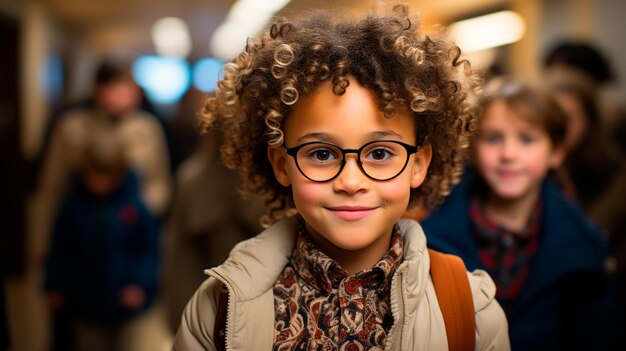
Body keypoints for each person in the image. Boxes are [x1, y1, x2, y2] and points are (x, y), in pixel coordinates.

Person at [173, 5, 509, 350]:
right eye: (321, 154)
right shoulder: (218, 311)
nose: (350, 182)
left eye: (380, 153)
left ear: (419, 164)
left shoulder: (473, 311)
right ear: (281, 164)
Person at [421, 77, 621, 350]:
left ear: (557, 152)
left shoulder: (584, 245)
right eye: (493, 138)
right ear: (473, 150)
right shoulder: (429, 238)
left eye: (527, 139)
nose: (509, 154)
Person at [44, 130, 160, 351]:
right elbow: (59, 248)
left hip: (124, 300)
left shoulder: (135, 207)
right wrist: (54, 284)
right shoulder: (72, 206)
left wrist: (140, 284)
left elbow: (148, 250)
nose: (99, 184)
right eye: (94, 177)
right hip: (83, 300)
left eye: (106, 178)